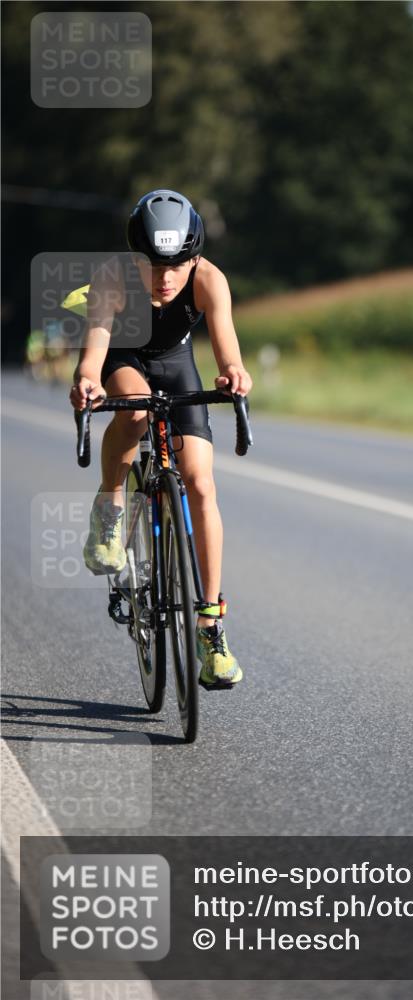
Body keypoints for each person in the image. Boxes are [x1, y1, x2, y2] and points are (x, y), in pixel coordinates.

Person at [69, 189, 252, 690]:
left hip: (176, 365)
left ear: (194, 257)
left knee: (200, 483)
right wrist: (87, 379)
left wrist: (233, 375)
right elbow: (98, 344)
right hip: (123, 358)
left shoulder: (210, 280)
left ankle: (210, 628)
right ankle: (109, 510)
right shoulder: (112, 278)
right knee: (133, 415)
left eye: (177, 264)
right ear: (135, 256)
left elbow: (227, 349)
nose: (165, 277)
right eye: (152, 263)